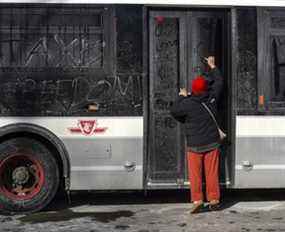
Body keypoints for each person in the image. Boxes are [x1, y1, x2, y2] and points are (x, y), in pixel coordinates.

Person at [170, 56, 224, 214]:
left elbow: (174, 111)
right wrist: (213, 66)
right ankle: (214, 199)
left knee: (195, 174)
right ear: (205, 89)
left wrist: (181, 95)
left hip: (194, 146)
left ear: (193, 90)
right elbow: (219, 83)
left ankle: (198, 200)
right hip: (212, 143)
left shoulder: (187, 104)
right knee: (211, 172)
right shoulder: (211, 99)